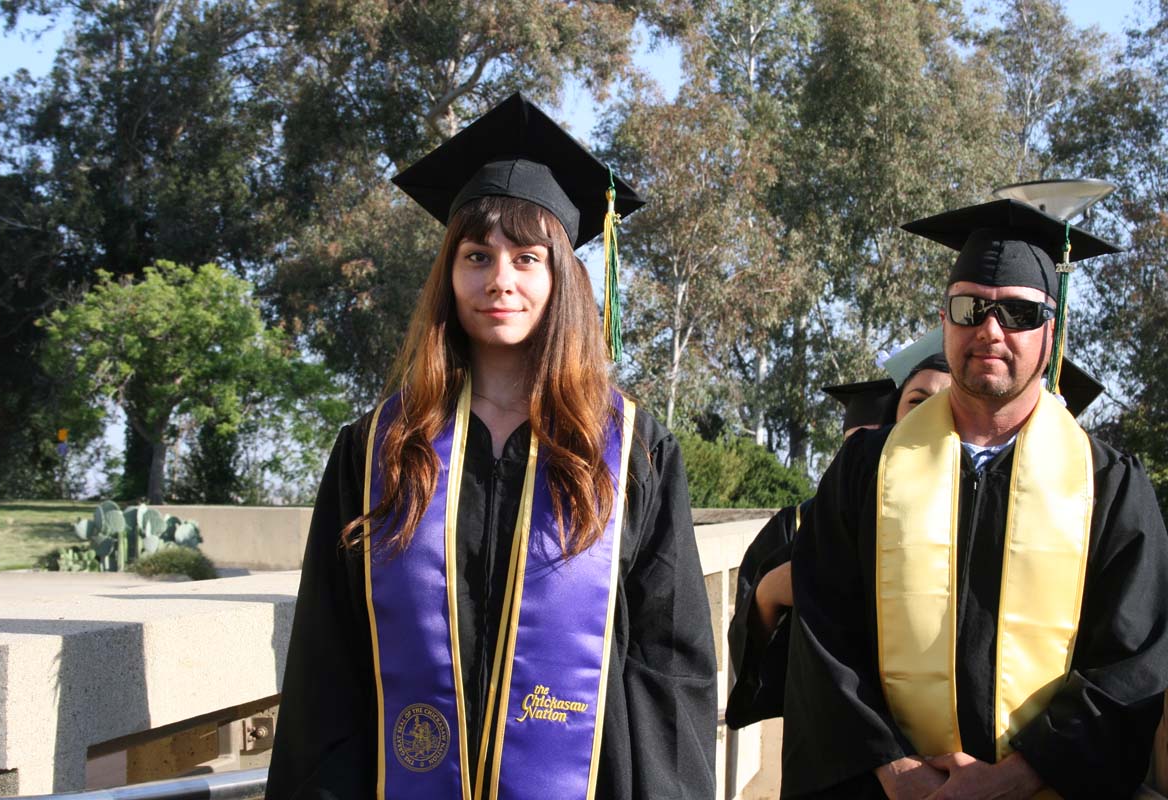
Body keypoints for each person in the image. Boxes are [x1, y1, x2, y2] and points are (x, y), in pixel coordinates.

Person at [265, 93, 717, 800]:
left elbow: (668, 664)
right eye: (477, 255)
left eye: (526, 258)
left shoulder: (634, 451)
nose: (499, 280)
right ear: (449, 273)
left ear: (560, 277)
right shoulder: (377, 450)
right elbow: (327, 660)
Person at [781, 198, 1168, 799]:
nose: (991, 329)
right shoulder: (867, 469)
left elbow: (1131, 662)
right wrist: (896, 770)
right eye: (971, 308)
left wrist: (1016, 779)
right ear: (944, 320)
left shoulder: (1109, 485)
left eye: (1018, 312)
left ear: (1053, 333)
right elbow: (825, 630)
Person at [727, 367, 950, 729]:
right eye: (854, 443)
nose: (860, 456)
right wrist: (769, 593)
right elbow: (757, 669)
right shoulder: (796, 525)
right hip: (828, 736)